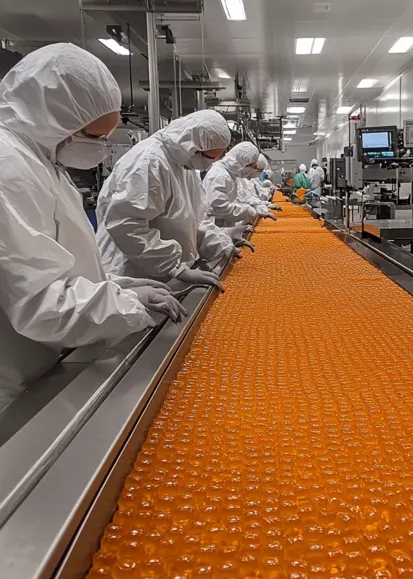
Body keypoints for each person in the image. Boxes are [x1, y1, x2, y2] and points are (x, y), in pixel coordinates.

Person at [0, 43, 185, 413]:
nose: (99, 148)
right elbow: (36, 301)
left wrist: (121, 285)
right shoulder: (10, 170)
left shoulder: (43, 162)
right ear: (52, 116)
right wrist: (127, 304)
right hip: (13, 382)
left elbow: (60, 266)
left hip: (46, 361)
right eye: (92, 136)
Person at [96, 110, 254, 291]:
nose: (210, 164)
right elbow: (127, 226)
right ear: (193, 146)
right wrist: (174, 267)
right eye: (209, 157)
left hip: (161, 273)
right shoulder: (150, 161)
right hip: (133, 272)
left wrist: (220, 240)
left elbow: (189, 220)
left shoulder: (183, 165)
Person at [204, 141, 279, 226]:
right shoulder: (220, 175)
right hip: (216, 226)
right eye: (253, 167)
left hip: (224, 226)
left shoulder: (231, 175)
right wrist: (251, 212)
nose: (253, 171)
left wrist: (259, 208)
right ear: (243, 162)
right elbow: (220, 208)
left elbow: (240, 198)